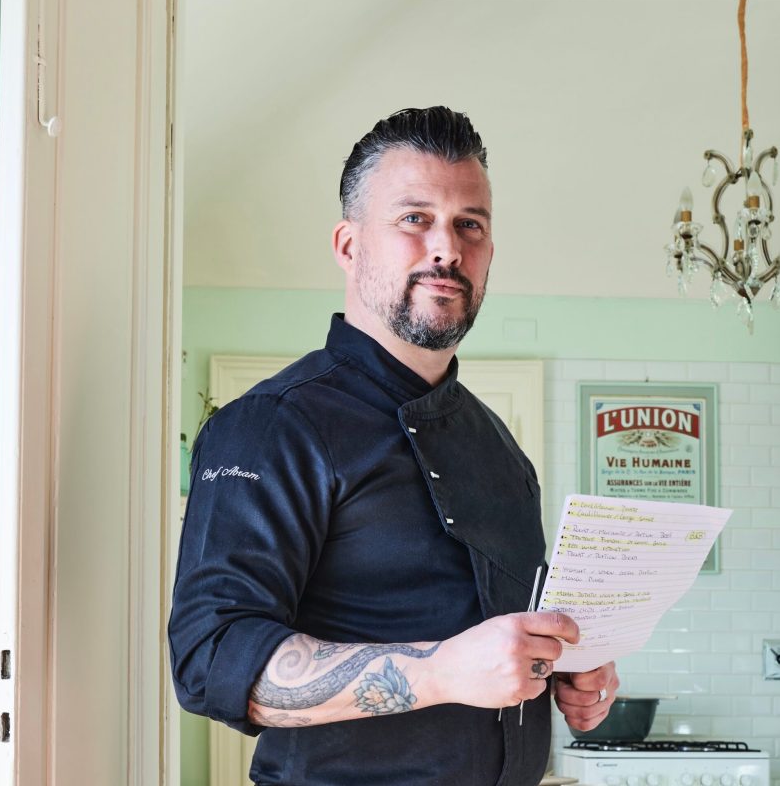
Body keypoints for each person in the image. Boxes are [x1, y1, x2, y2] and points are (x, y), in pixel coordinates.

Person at [169, 107, 619, 786]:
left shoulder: (500, 448)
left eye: (471, 224)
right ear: (349, 246)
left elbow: (507, 641)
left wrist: (568, 671)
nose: (447, 247)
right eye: (415, 219)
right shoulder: (269, 425)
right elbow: (210, 659)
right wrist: (439, 673)